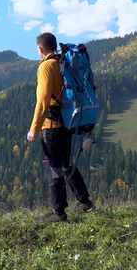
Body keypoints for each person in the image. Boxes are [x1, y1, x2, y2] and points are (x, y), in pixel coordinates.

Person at [27, 32, 94, 223]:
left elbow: (42, 101)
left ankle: (59, 212)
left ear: (40, 49)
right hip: (67, 122)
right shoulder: (62, 64)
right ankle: (85, 203)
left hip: (52, 126)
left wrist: (34, 128)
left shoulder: (46, 66)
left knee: (55, 169)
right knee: (66, 165)